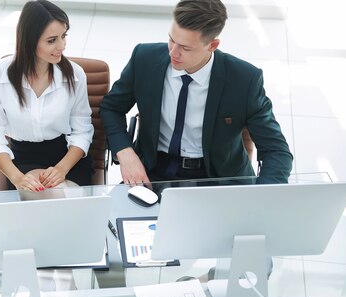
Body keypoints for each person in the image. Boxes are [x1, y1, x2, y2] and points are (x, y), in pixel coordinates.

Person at [0, 0, 93, 297]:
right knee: (45, 203)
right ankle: (68, 290)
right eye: (52, 40)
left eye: (64, 37)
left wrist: (61, 166)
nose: (62, 47)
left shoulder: (74, 75)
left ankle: (47, 289)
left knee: (49, 203)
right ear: (29, 40)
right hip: (21, 159)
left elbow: (83, 129)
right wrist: (15, 176)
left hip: (65, 156)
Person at [101, 0, 293, 186]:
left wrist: (265, 195)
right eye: (171, 39)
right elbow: (111, 108)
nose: (173, 53)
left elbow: (276, 151)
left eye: (185, 48)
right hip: (153, 170)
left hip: (219, 178)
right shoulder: (144, 58)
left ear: (212, 45)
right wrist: (125, 152)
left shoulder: (244, 80)